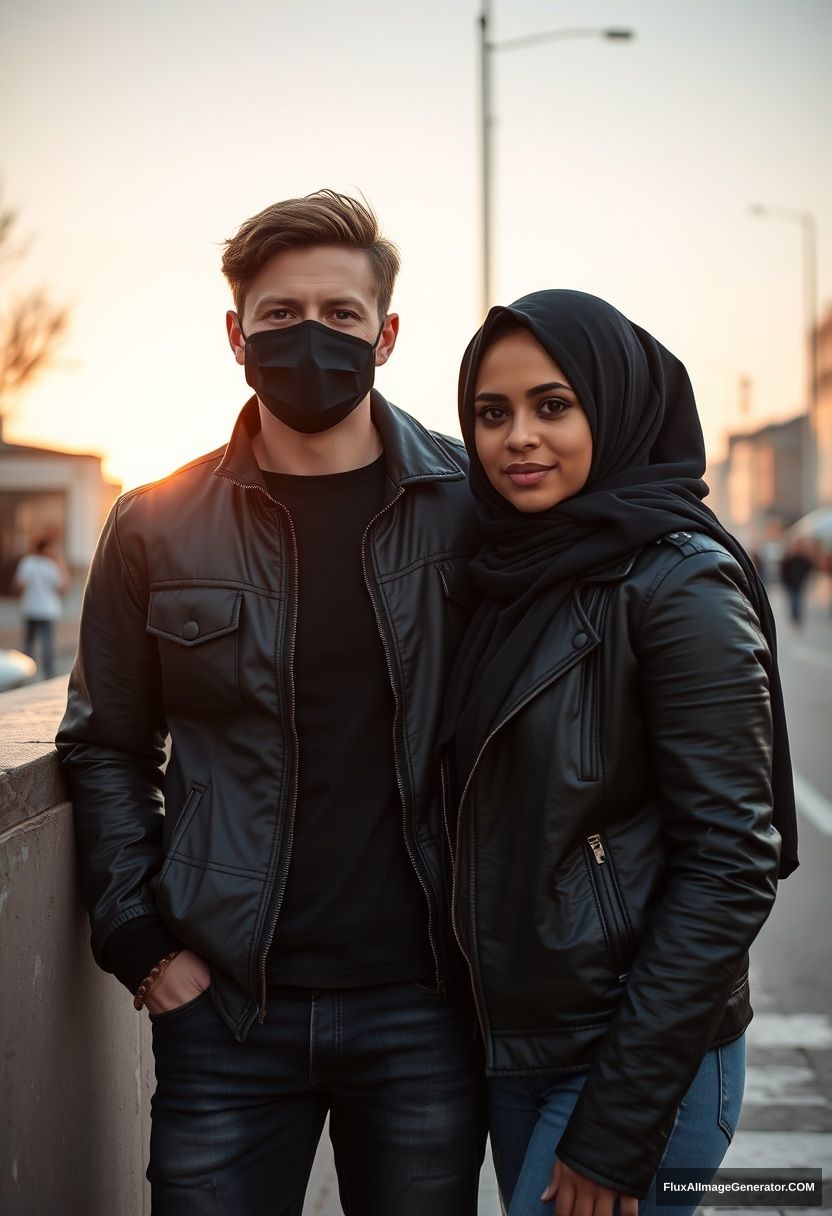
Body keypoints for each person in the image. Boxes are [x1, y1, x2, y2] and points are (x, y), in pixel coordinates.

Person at [56, 190, 485, 1215]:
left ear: (384, 335)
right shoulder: (156, 523)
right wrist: (142, 944)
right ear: (234, 335)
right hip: (226, 1010)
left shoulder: (471, 510)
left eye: (341, 315)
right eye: (279, 312)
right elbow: (108, 742)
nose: (311, 335)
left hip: (426, 1005)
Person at [439, 290, 798, 1216]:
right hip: (520, 1044)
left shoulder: (678, 582)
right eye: (492, 412)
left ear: (616, 403)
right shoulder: (501, 574)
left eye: (553, 405)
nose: (518, 436)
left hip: (638, 1063)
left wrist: (619, 1123)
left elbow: (731, 864)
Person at [13, 538, 68, 678]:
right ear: (44, 549)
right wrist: (61, 563)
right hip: (47, 611)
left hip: (30, 609)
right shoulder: (51, 565)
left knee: (29, 644)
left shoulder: (27, 562)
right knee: (46, 645)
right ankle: (49, 675)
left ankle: (23, 675)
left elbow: (19, 585)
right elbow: (63, 588)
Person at [780, 541, 814, 626]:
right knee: (792, 600)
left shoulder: (803, 559)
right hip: (790, 583)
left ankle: (797, 616)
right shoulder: (790, 558)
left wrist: (804, 577)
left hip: (799, 583)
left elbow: (809, 567)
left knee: (798, 600)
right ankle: (794, 616)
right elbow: (783, 569)